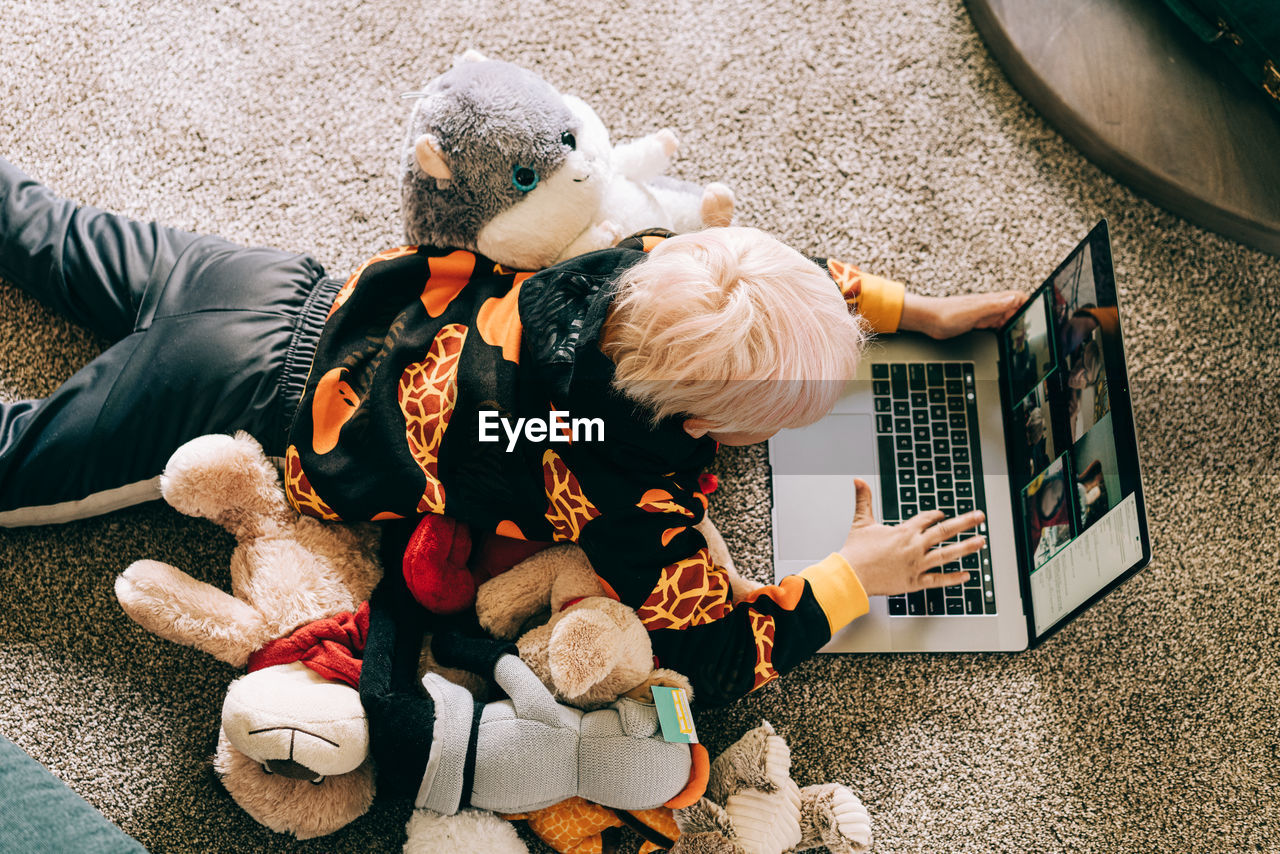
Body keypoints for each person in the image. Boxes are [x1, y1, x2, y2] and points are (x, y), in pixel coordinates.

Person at [0, 157, 1024, 705]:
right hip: (231, 405)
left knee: (41, 225)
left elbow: (757, 273)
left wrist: (903, 310)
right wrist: (851, 572)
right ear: (701, 425)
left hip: (277, 283)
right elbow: (711, 660)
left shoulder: (646, 259)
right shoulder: (632, 492)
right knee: (18, 466)